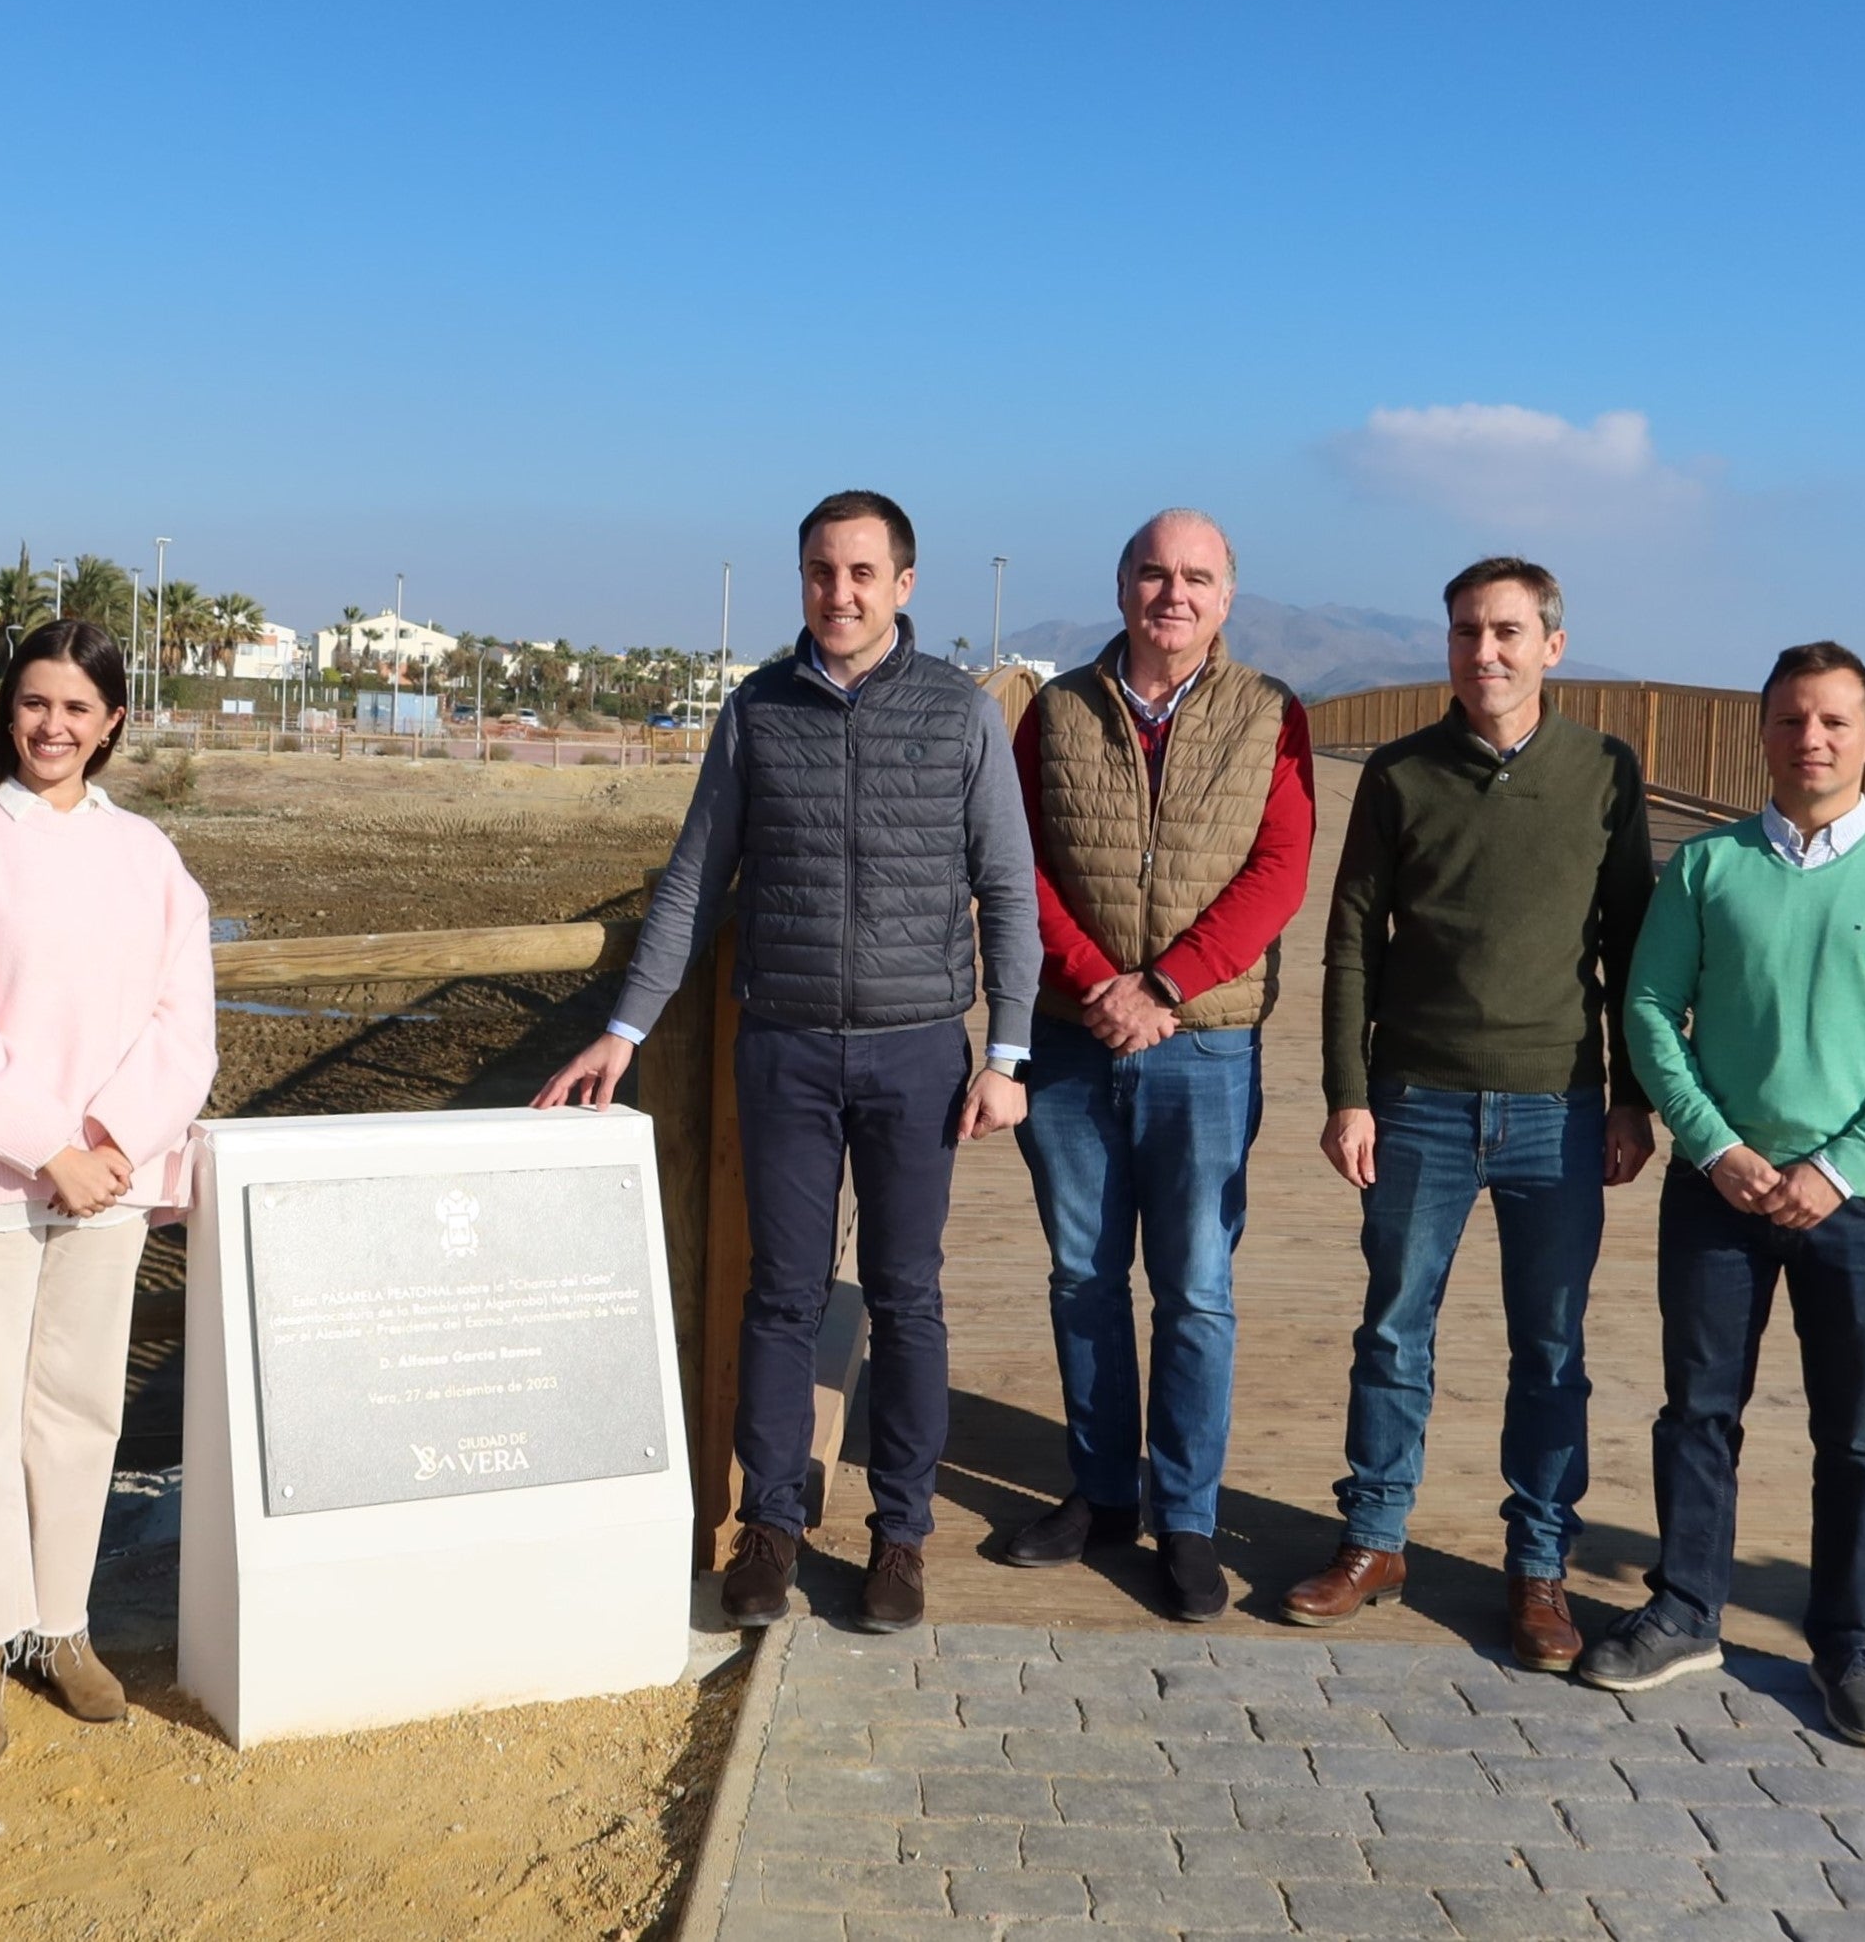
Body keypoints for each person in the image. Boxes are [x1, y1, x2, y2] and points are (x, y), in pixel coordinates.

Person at [534, 490, 1037, 1634]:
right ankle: (770, 1526)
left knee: (908, 1299)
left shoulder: (961, 715)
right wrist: (626, 1030)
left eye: (863, 574)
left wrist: (1007, 1050)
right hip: (788, 1048)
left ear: (904, 587)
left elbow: (1008, 888)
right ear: (802, 580)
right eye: (821, 572)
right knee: (782, 1295)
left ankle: (900, 1538)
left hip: (919, 1052)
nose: (840, 593)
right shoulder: (758, 710)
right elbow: (692, 880)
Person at [1579, 641, 1865, 1749]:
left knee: (1856, 1431)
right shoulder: (1707, 870)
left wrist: (1837, 1166)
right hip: (1722, 1189)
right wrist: (1712, 1146)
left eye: (1835, 722)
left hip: (1859, 1199)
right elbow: (1651, 1012)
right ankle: (1687, 1608)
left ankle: (1850, 1644)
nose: (1812, 740)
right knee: (1699, 1411)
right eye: (1792, 720)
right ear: (1763, 734)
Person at [1288, 557, 1655, 1667]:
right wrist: (1348, 1094)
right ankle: (1375, 1538)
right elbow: (1353, 937)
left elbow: (1631, 943)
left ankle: (1540, 1569)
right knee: (1395, 1329)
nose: (1482, 653)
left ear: (1552, 644)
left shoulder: (1604, 771)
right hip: (1418, 1101)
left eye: (1504, 633)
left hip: (1559, 1105)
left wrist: (1633, 1096)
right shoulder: (1400, 774)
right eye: (1463, 633)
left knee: (1550, 1348)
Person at [0, 621, 216, 1762]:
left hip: (111, 1179)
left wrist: (113, 1139)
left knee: (79, 1412)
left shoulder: (151, 859)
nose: (53, 727)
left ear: (113, 719)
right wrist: (48, 1146)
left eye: (77, 707)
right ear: (6, 711)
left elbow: (187, 1026)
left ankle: (57, 1624)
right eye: (34, 703)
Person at [999, 509, 1313, 1622]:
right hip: (1073, 1034)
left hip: (1206, 1042)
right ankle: (1099, 1492)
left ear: (1227, 595)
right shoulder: (1055, 710)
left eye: (1195, 578)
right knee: (1082, 1273)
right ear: (1121, 585)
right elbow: (1016, 857)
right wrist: (1098, 983)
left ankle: (1184, 1514)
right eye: (1152, 574)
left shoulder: (1272, 713)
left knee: (1195, 1288)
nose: (1171, 594)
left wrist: (1167, 985)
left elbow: (1281, 870)